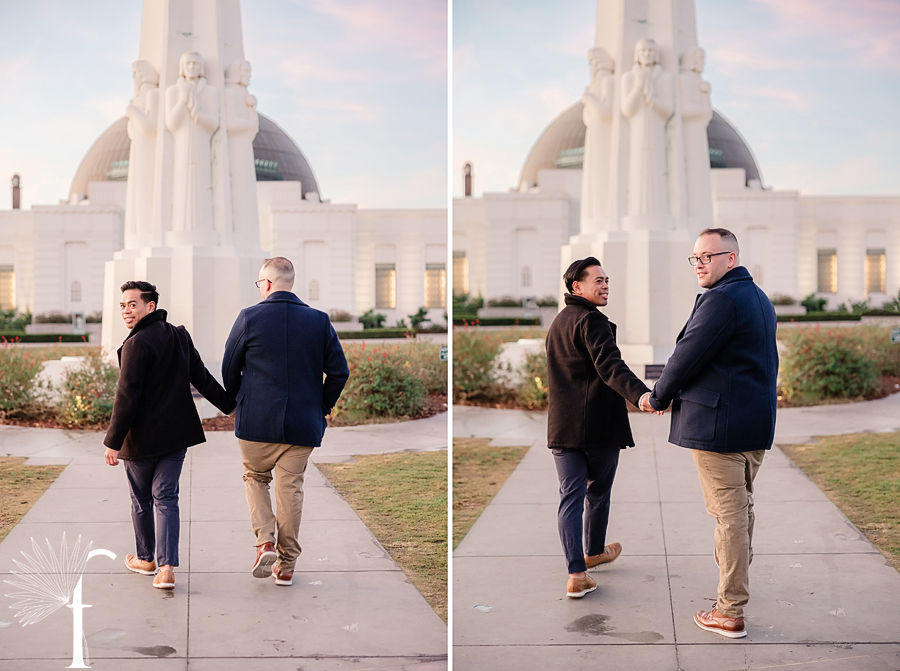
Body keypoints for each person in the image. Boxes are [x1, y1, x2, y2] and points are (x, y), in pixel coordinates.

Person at [641, 228, 778, 638]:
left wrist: (658, 396)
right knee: (741, 510)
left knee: (729, 517)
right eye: (695, 257)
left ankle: (729, 609)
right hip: (752, 425)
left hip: (720, 429)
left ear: (731, 258)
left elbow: (688, 354)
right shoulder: (759, 297)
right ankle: (734, 581)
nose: (699, 264)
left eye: (708, 256)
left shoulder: (722, 299)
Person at [222, 257, 349, 587]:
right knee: (290, 489)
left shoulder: (249, 317)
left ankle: (265, 541)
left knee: (255, 477)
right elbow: (339, 372)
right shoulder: (319, 321)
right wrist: (321, 406)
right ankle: (287, 564)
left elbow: (228, 367)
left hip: (256, 422)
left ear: (266, 284)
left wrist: (239, 402)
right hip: (302, 424)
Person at [104, 280, 233, 590]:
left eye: (132, 304)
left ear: (150, 306)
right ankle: (165, 569)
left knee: (142, 500)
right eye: (122, 305)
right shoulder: (179, 335)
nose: (126, 310)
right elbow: (201, 377)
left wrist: (113, 441)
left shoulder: (136, 343)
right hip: (176, 435)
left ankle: (146, 559)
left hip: (141, 440)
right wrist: (231, 407)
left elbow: (127, 396)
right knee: (166, 498)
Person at [546, 256, 660, 598]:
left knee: (570, 498)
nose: (606, 285)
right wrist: (642, 396)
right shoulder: (592, 320)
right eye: (598, 280)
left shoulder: (558, 322)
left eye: (607, 279)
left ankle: (577, 573)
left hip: (563, 428)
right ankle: (593, 552)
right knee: (597, 493)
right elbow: (611, 366)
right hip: (597, 428)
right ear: (577, 286)